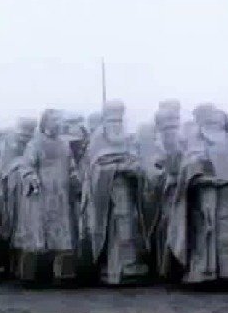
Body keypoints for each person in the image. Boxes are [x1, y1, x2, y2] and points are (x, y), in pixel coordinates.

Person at [162, 104, 228, 284]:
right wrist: (201, 173)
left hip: (227, 191)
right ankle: (204, 271)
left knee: (227, 230)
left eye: (219, 123)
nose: (217, 126)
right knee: (206, 230)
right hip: (205, 192)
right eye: (212, 122)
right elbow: (188, 165)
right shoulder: (195, 142)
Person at [80, 100, 150, 285]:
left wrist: (135, 169)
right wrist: (116, 169)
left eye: (119, 121)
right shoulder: (98, 138)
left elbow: (137, 160)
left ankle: (128, 266)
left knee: (129, 225)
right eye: (112, 121)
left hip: (127, 189)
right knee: (112, 228)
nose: (116, 125)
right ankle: (114, 269)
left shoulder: (127, 138)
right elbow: (94, 168)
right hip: (107, 194)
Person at [16, 109, 78, 285]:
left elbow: (71, 166)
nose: (57, 123)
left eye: (59, 120)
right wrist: (31, 178)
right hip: (41, 195)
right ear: (45, 123)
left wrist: (75, 179)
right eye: (54, 120)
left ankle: (61, 276)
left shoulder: (64, 144)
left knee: (62, 236)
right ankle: (32, 277)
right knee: (38, 235)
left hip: (61, 196)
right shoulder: (35, 144)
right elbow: (26, 166)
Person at [0, 117, 37, 276]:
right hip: (12, 191)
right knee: (11, 224)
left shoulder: (35, 144)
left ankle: (25, 266)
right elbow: (3, 169)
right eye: (22, 135)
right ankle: (10, 266)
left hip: (28, 192)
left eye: (28, 135)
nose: (24, 138)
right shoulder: (9, 145)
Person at [149, 106, 184, 278]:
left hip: (180, 192)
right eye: (167, 128)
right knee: (166, 228)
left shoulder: (182, 142)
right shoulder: (157, 146)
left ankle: (176, 266)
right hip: (166, 194)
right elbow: (154, 171)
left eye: (174, 126)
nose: (171, 131)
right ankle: (166, 268)